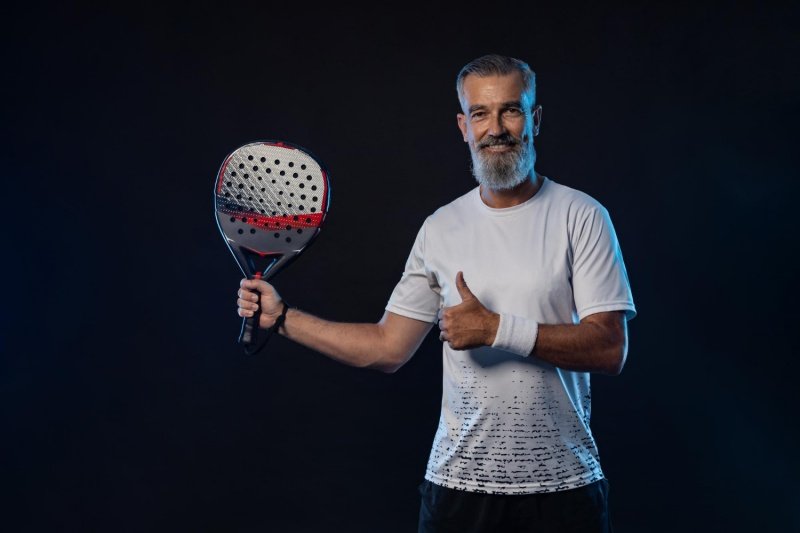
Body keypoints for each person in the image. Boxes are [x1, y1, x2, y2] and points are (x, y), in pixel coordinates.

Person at [236, 54, 635, 533]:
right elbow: (387, 349)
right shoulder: (441, 228)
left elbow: (610, 347)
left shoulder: (582, 216)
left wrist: (496, 329)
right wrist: (283, 318)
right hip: (458, 492)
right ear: (463, 126)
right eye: (481, 114)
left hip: (565, 491)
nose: (497, 128)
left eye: (511, 110)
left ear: (536, 119)